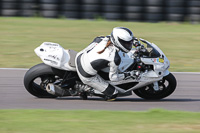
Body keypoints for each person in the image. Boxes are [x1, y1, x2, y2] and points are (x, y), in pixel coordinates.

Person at [75, 27, 140, 100]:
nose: (129, 45)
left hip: (81, 55)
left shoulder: (108, 38)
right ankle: (85, 88)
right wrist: (130, 74)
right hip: (86, 73)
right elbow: (114, 78)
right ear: (118, 41)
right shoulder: (114, 58)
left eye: (130, 42)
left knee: (98, 39)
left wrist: (134, 41)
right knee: (113, 94)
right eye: (126, 43)